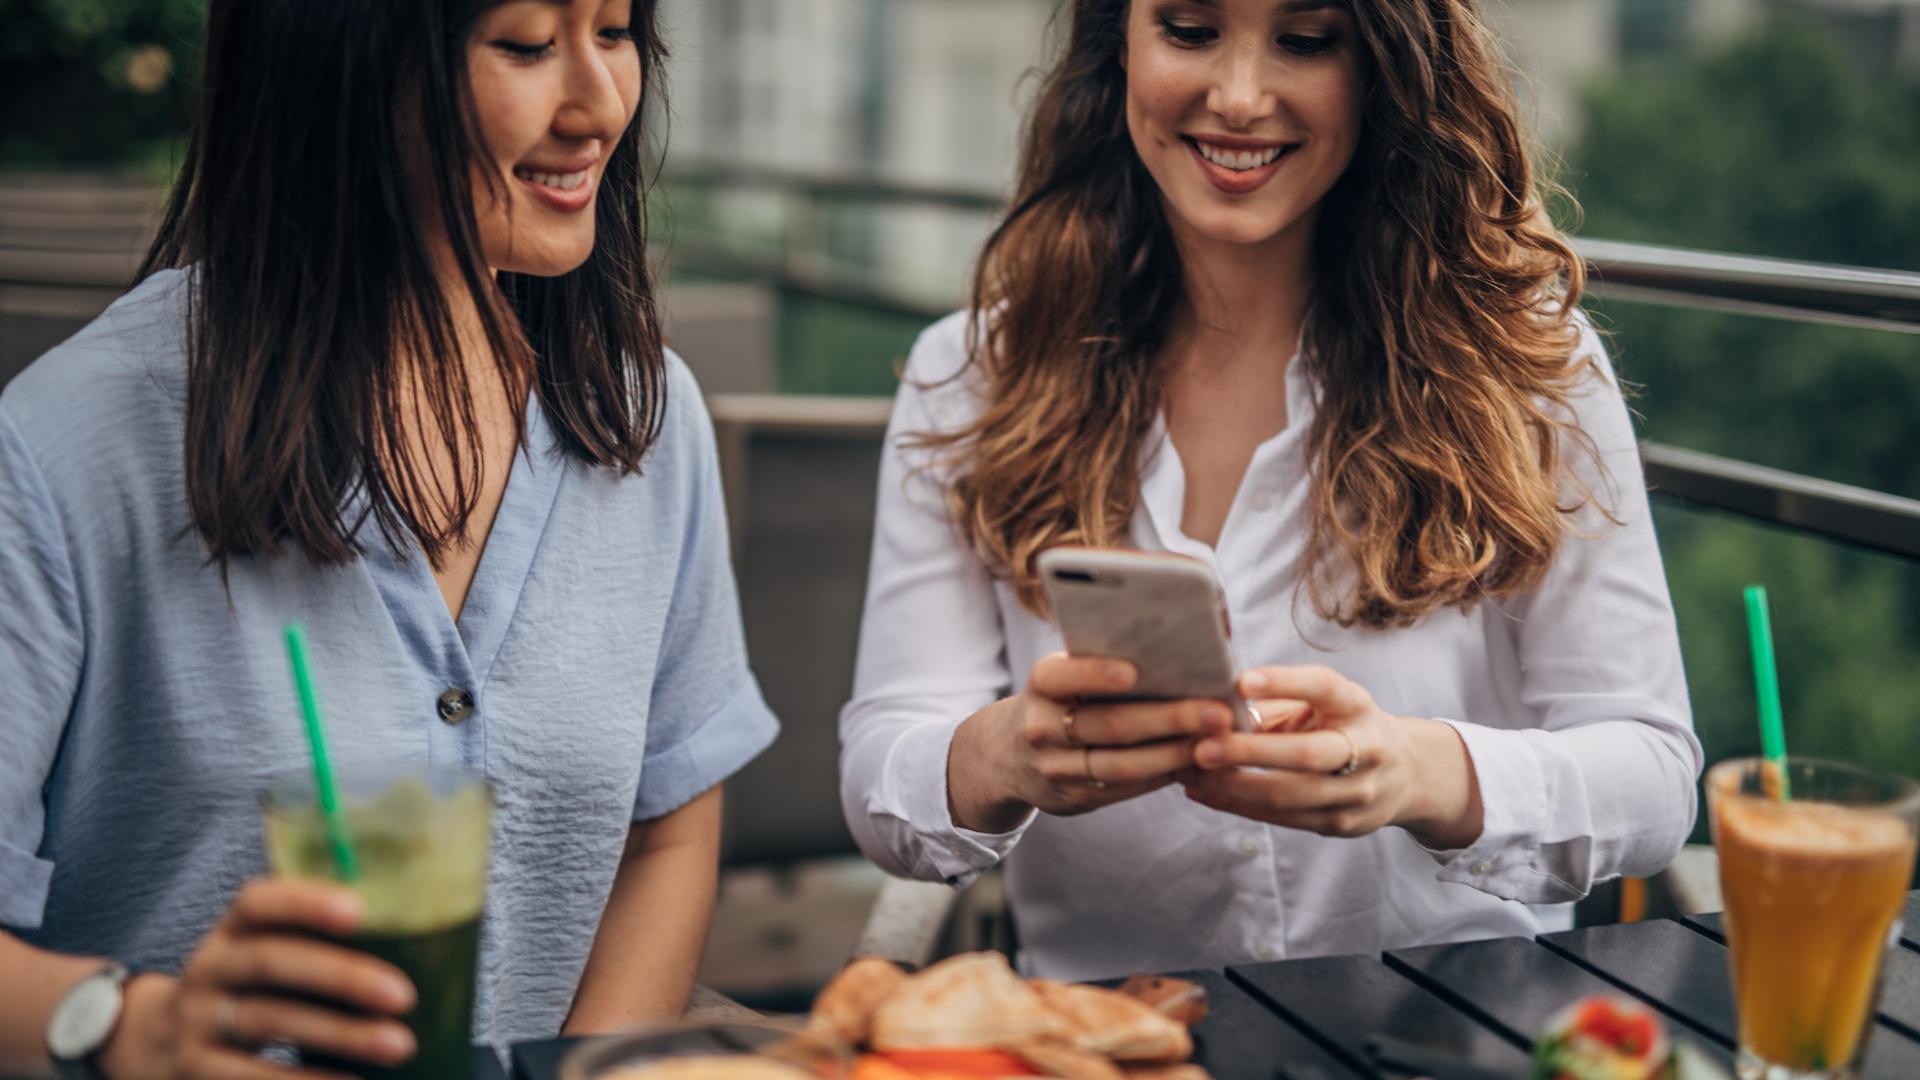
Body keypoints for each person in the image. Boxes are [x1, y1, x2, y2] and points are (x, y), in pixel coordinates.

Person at [841, 0, 1701, 981]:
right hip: (1119, 1044)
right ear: (1117, 41)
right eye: (1190, 30)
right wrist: (998, 758)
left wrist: (1422, 773)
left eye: (1306, 40)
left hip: (1455, 1038)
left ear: (1384, 67)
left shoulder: (1531, 368)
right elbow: (880, 772)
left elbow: (1652, 776)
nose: (1240, 98)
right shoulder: (973, 372)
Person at [0, 0, 776, 1074]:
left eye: (614, 30)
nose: (600, 103)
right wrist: (129, 1027)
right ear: (342, 64)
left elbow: (668, 835)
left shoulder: (641, 415)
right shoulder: (68, 446)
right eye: (525, 46)